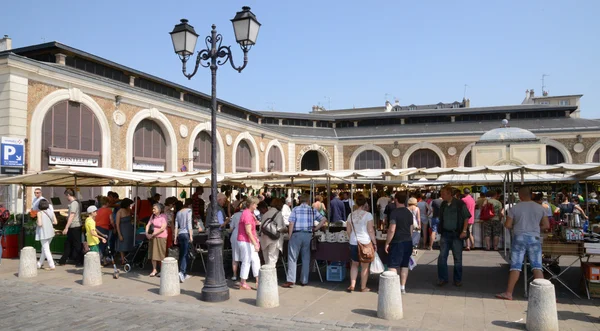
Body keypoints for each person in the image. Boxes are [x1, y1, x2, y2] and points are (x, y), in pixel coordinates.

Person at [496, 187, 549, 300]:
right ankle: (544, 296)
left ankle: (509, 293)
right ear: (531, 195)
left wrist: (517, 226)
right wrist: (535, 227)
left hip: (519, 237)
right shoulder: (540, 208)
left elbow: (507, 225)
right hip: (534, 238)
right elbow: (546, 226)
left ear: (520, 195)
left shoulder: (515, 208)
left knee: (515, 266)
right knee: (537, 266)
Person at [283, 194, 327, 288]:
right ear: (308, 201)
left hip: (296, 234)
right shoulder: (312, 210)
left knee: (292, 258)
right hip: (308, 235)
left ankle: (291, 280)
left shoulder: (295, 209)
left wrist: (290, 235)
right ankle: (304, 280)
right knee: (306, 258)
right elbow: (324, 219)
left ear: (299, 201)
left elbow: (291, 223)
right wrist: (315, 228)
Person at [437, 186, 471, 287]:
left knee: (457, 258)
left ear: (449, 193)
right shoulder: (443, 204)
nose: (441, 195)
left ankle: (457, 279)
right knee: (442, 257)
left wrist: (464, 231)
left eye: (443, 193)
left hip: (457, 234)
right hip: (445, 233)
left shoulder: (460, 204)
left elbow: (466, 217)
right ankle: (443, 278)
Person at [346, 194, 377, 293]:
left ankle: (352, 284)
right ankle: (363, 287)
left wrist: (352, 237)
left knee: (354, 264)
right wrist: (374, 243)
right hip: (365, 242)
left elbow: (348, 230)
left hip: (353, 241)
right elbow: (370, 230)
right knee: (364, 266)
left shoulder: (350, 215)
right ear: (365, 204)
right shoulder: (368, 215)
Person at [385, 191, 414, 294]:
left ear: (396, 199)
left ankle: (392, 289)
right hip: (408, 241)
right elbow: (411, 229)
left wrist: (387, 242)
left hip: (397, 242)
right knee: (404, 265)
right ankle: (402, 287)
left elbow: (392, 229)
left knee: (393, 265)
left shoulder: (394, 213)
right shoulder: (408, 212)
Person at [238, 197, 261, 290]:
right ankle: (243, 282)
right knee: (247, 261)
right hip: (245, 240)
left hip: (248, 240)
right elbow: (248, 231)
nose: (257, 206)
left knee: (255, 259)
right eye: (256, 204)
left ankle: (258, 280)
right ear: (251, 204)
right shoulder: (247, 214)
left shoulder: (250, 213)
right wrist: (255, 243)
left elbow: (251, 230)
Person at [58, 189, 83, 267]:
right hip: (75, 226)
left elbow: (72, 215)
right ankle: (63, 260)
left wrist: (66, 227)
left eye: (66, 196)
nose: (66, 198)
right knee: (68, 243)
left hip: (74, 226)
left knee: (76, 244)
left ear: (68, 195)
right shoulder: (77, 202)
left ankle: (80, 261)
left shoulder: (74, 204)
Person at [259, 199, 286, 266]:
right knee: (272, 260)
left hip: (264, 239)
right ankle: (270, 276)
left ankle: (266, 275)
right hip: (274, 240)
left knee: (266, 260)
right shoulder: (278, 213)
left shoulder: (266, 214)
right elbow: (279, 228)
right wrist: (286, 229)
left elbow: (261, 227)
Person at [174, 199, 194, 283]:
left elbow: (176, 226)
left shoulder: (178, 213)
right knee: (185, 254)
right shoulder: (189, 211)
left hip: (180, 234)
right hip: (186, 233)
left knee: (182, 253)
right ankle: (182, 272)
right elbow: (189, 223)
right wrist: (191, 235)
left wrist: (175, 237)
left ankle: (183, 272)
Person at [146, 203, 168, 277]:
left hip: (161, 237)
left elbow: (162, 228)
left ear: (159, 209)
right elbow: (148, 225)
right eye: (153, 208)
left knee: (161, 253)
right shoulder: (152, 216)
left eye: (154, 208)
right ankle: (154, 269)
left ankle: (163, 270)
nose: (153, 210)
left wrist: (153, 234)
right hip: (153, 237)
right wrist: (146, 233)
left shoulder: (163, 216)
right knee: (153, 254)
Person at [35, 199, 57, 270]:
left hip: (43, 233)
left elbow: (40, 224)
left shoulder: (39, 213)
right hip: (50, 232)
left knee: (46, 249)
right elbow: (55, 222)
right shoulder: (51, 212)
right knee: (44, 249)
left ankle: (52, 265)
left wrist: (37, 222)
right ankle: (39, 264)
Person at [229, 202, 245, 281]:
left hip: (235, 235)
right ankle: (243, 275)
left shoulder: (235, 215)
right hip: (244, 236)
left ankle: (234, 275)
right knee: (245, 257)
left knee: (235, 256)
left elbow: (231, 228)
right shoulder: (249, 215)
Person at [115, 198, 134, 265]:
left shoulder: (130, 210)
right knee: (122, 244)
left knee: (129, 243)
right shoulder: (119, 212)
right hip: (122, 230)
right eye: (129, 205)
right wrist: (119, 234)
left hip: (129, 229)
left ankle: (128, 258)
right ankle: (123, 259)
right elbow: (117, 224)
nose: (130, 206)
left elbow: (134, 216)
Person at [95, 197, 113, 265]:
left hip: (97, 228)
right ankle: (100, 261)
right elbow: (111, 221)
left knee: (99, 244)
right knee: (104, 245)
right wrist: (114, 227)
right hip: (104, 229)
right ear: (107, 203)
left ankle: (104, 261)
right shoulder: (109, 210)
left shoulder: (97, 210)